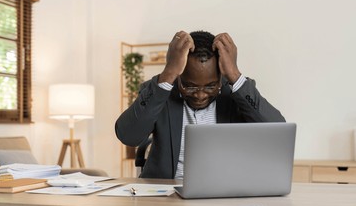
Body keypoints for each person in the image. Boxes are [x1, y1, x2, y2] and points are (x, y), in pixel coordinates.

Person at [115, 30, 285, 179]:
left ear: (221, 78)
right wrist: (168, 74)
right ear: (178, 76)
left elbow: (278, 136)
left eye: (211, 86)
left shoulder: (236, 92)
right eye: (189, 86)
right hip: (166, 194)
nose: (200, 95)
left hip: (222, 192)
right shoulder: (160, 91)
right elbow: (128, 136)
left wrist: (234, 74)